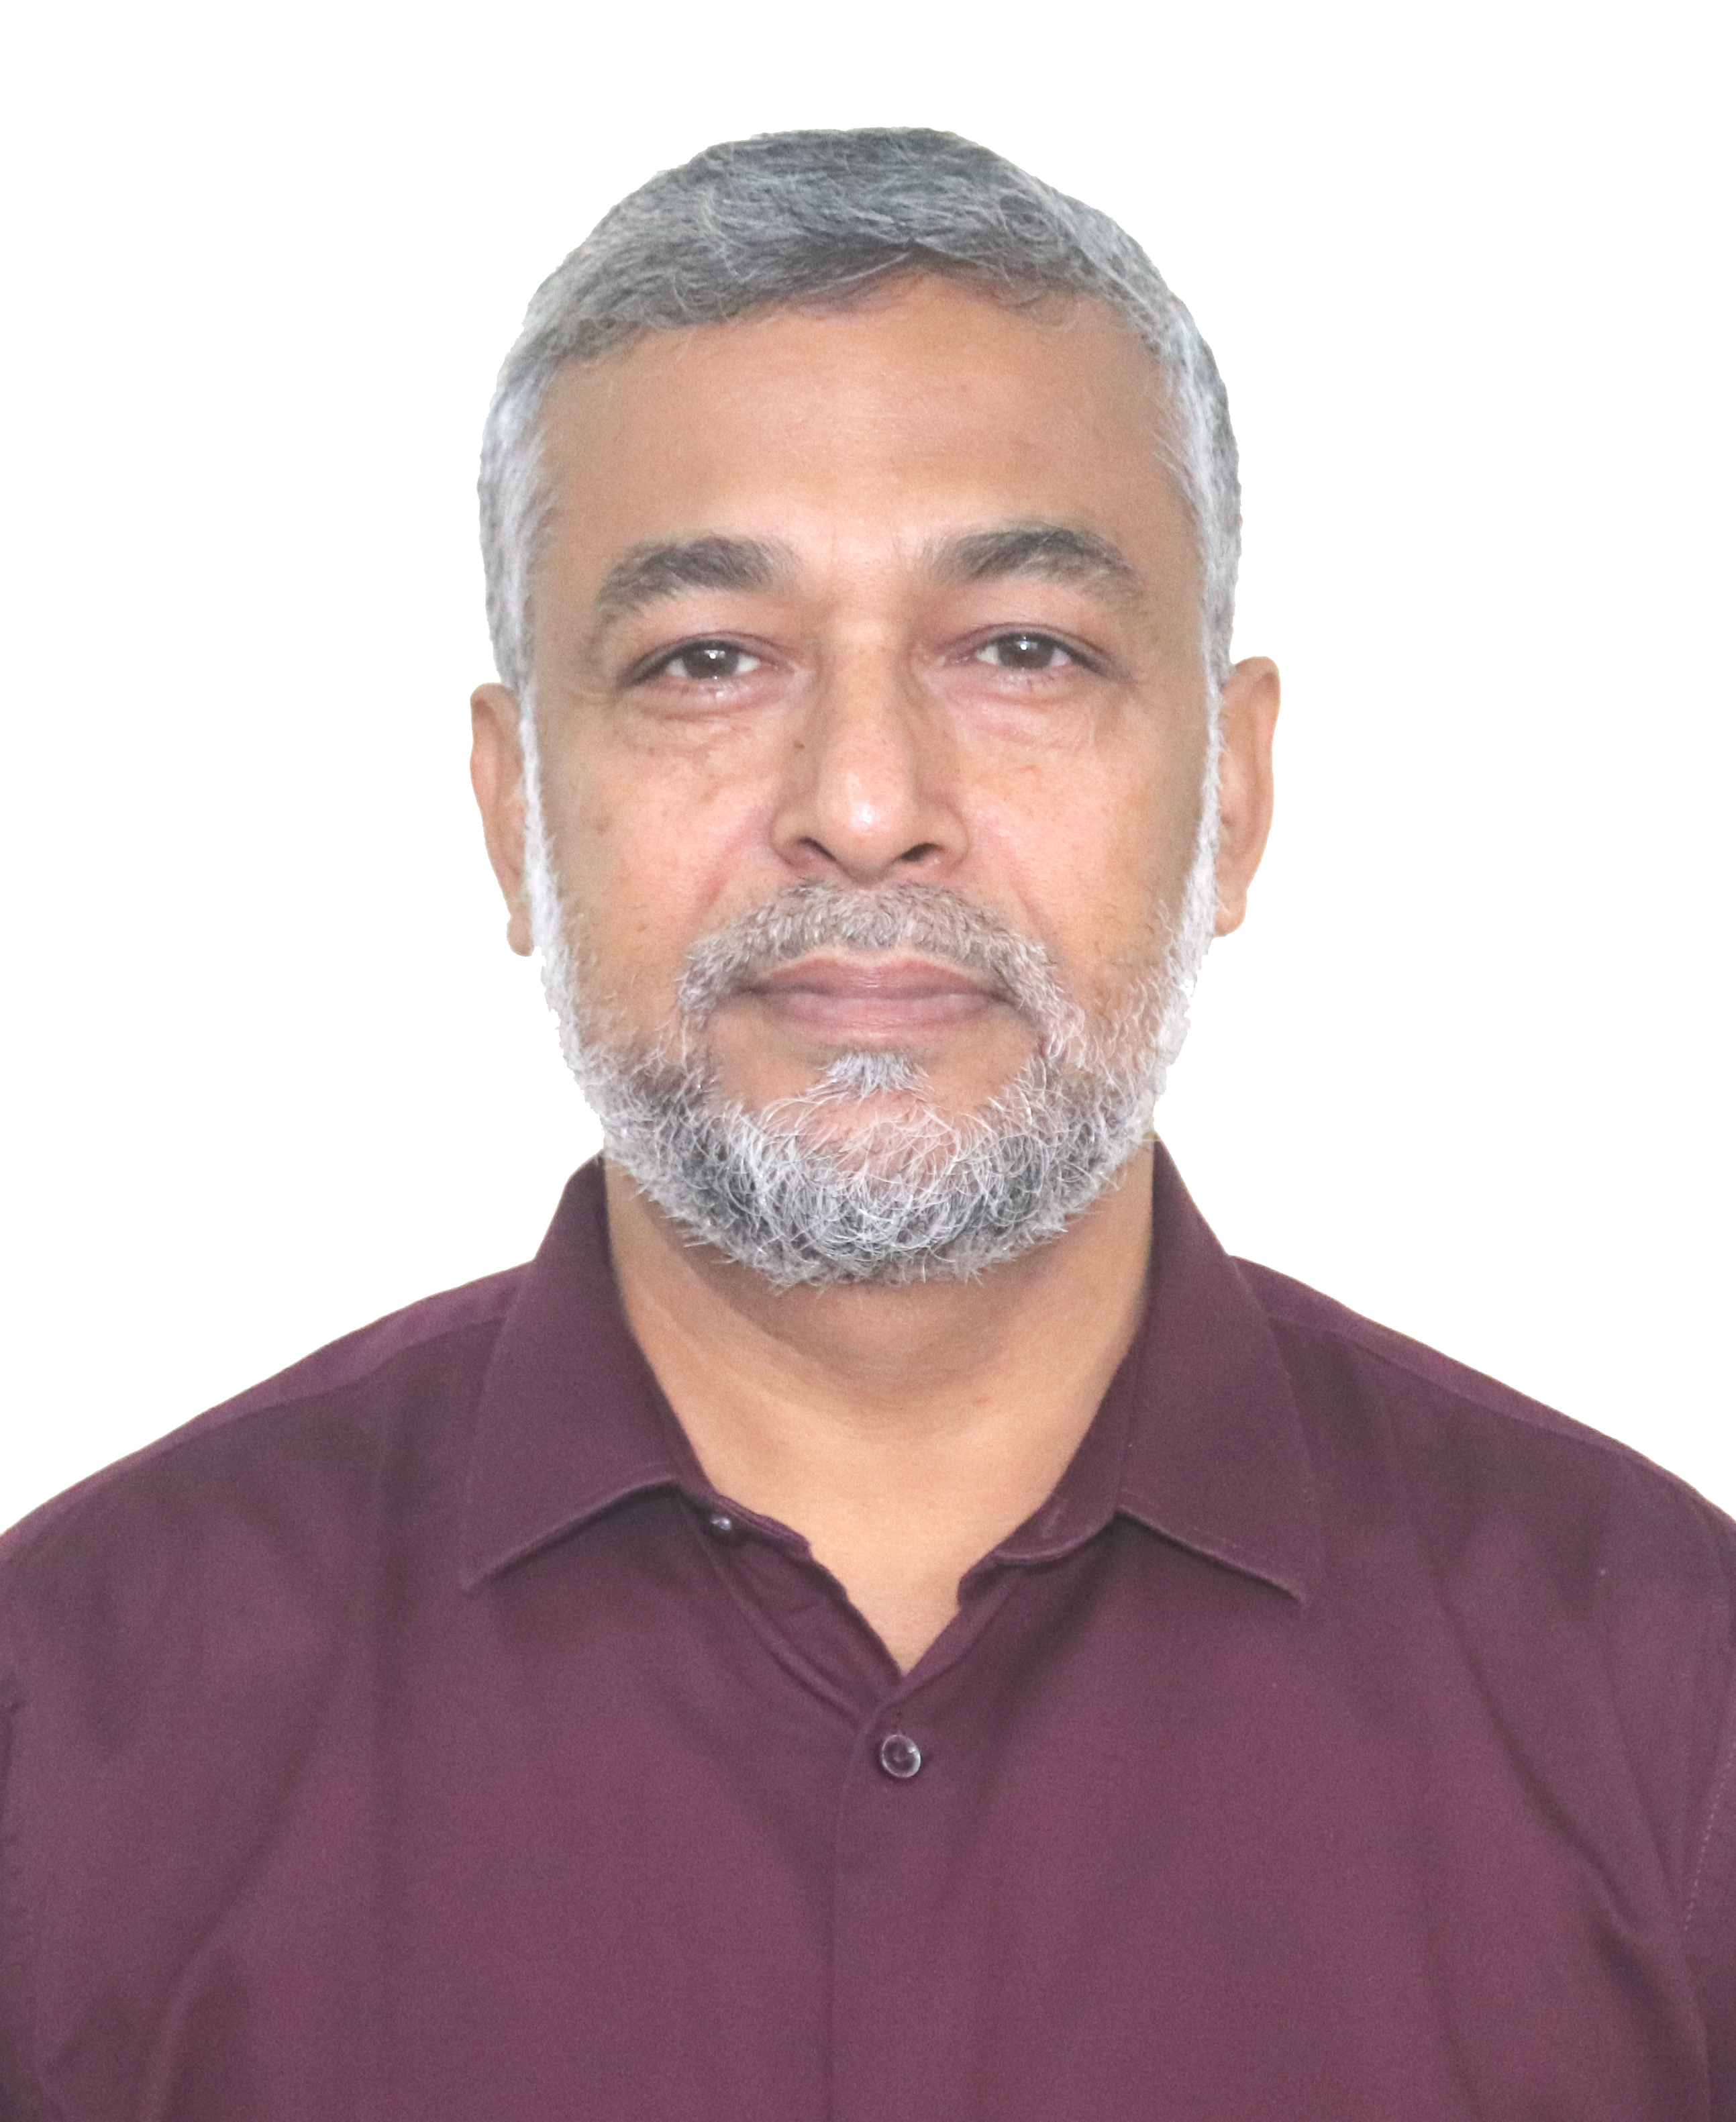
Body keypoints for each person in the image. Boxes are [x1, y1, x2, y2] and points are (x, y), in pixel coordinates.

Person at [1, 127, 1732, 2122]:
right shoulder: (74, 1723)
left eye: (1021, 648)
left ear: (1236, 796)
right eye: (705, 660)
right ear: (513, 813)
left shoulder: (1670, 1711)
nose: (863, 803)